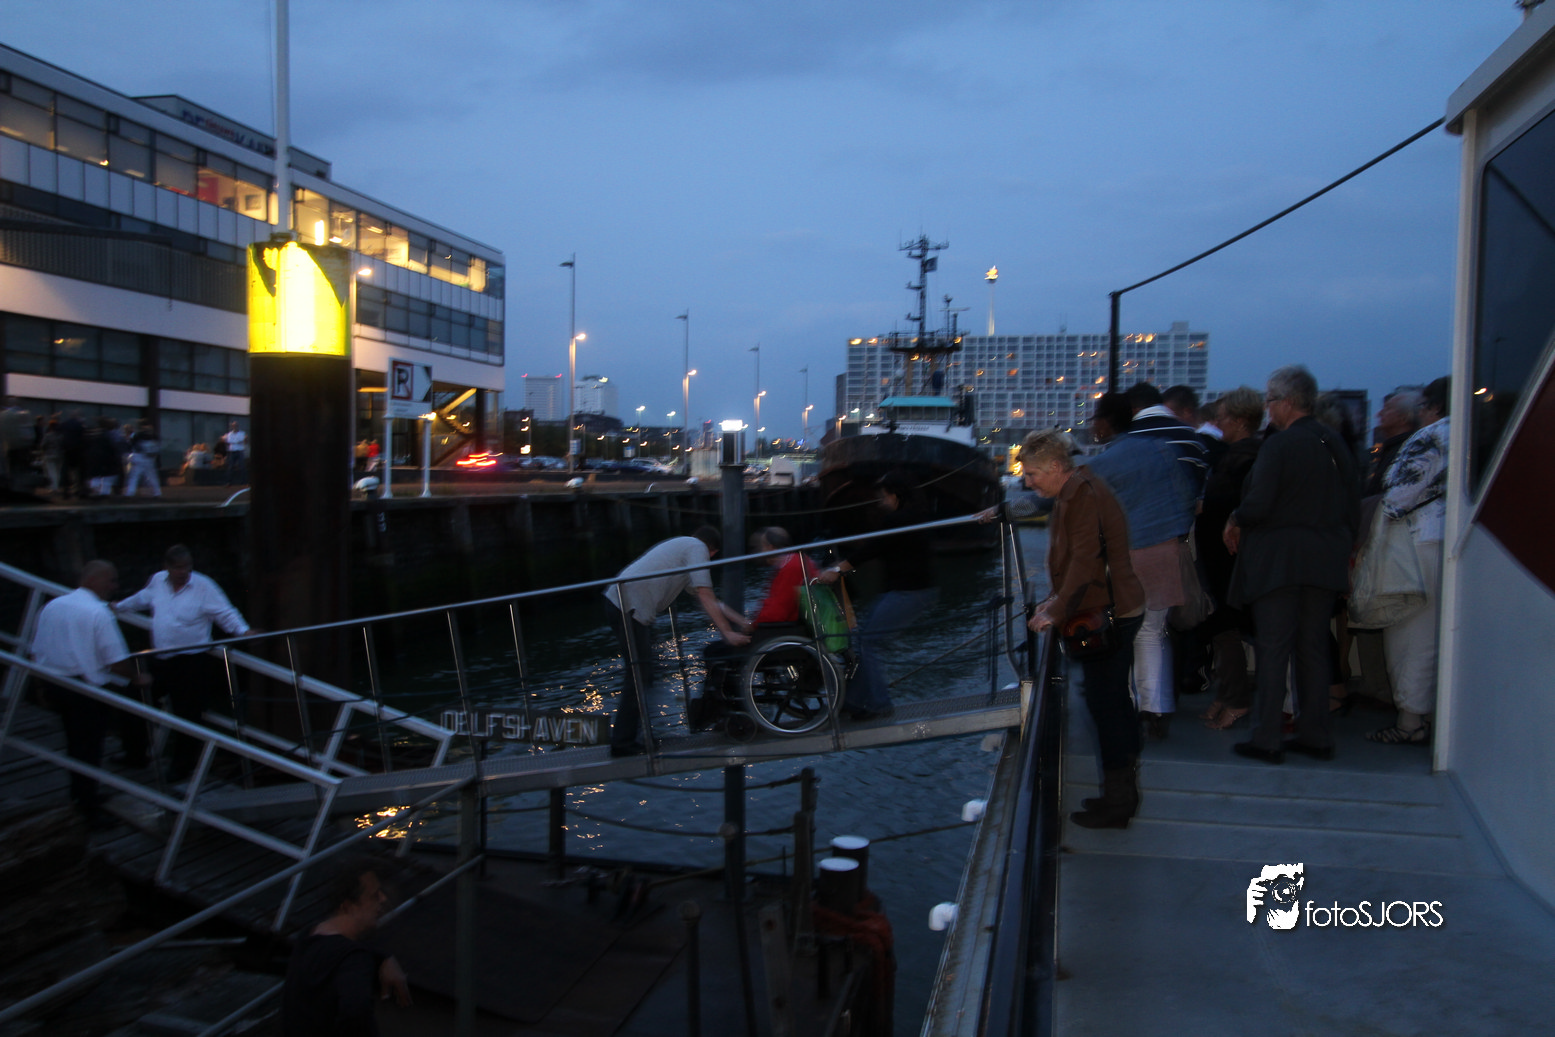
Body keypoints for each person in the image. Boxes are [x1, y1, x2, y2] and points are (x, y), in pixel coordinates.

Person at [1224, 365, 1360, 764]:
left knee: (1273, 650)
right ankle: (1316, 734)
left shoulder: (1280, 446)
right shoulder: (1334, 442)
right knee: (1313, 648)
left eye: (1269, 401)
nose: (1267, 409)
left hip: (1279, 563)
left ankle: (1267, 738)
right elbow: (1352, 506)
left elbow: (1260, 502)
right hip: (1325, 561)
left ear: (1286, 402)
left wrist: (1235, 518)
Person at [1020, 429, 1147, 828]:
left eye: (1033, 474)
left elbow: (1085, 560)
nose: (1028, 482)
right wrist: (1055, 600)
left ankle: (1119, 802)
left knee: (1106, 705)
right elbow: (1077, 561)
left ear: (1057, 467)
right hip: (1111, 606)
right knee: (1110, 703)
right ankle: (1121, 793)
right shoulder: (1077, 491)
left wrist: (1055, 610)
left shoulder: (1083, 496)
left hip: (1110, 611)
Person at [1087, 384, 1206, 738]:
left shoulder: (1104, 462)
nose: (1092, 426)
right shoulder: (1162, 450)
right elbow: (1187, 497)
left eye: (1096, 419)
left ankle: (1128, 705)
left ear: (1108, 422)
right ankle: (1154, 708)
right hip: (1164, 551)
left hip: (1126, 557)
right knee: (1152, 632)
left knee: (1122, 636)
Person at [603, 526, 749, 755]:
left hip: (625, 605)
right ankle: (623, 743)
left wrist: (742, 622)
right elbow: (706, 594)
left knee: (645, 674)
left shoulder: (684, 547)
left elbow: (708, 600)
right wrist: (728, 633)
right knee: (639, 676)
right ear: (712, 551)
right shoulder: (697, 548)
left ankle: (637, 736)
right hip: (629, 607)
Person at [115, 545, 252, 780]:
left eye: (187, 567)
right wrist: (118, 607)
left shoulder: (204, 586)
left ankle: (181, 768)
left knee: (188, 714)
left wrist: (243, 631)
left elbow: (224, 612)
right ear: (167, 567)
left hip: (192, 661)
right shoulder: (157, 581)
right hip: (162, 658)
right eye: (178, 568)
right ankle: (135, 754)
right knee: (134, 698)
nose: (183, 572)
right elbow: (142, 598)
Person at [28, 560, 153, 816]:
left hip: (55, 682)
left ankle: (83, 793)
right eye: (111, 580)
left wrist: (40, 685)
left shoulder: (52, 606)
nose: (115, 587)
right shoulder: (98, 613)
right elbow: (116, 662)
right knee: (89, 745)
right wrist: (136, 677)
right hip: (83, 689)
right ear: (94, 580)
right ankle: (87, 804)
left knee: (75, 742)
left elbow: (37, 650)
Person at [814, 470, 937, 720]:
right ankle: (853, 701)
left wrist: (837, 570)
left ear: (895, 495)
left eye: (884, 496)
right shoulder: (917, 517)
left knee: (868, 643)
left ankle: (879, 704)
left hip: (907, 592)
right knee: (864, 641)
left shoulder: (896, 521)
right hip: (913, 590)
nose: (881, 502)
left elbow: (871, 550)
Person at [1370, 376, 1450, 746]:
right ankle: (1429, 714)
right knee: (1434, 634)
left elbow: (1398, 497)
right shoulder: (1468, 433)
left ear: (1432, 407)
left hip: (1416, 544)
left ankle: (1410, 720)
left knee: (1411, 634)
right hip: (1443, 541)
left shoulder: (1430, 437)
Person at [1193, 387, 1265, 730]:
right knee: (1223, 624)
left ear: (1238, 420)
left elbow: (1238, 504)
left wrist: (1206, 508)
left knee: (1225, 623)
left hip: (1229, 557)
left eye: (1222, 417)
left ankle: (1236, 698)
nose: (1217, 422)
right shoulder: (1240, 455)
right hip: (1224, 555)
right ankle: (1228, 693)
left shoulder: (1245, 458)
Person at [281, 858, 411, 1036]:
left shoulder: (308, 936)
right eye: (374, 896)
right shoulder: (355, 960)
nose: (383, 899)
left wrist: (382, 958)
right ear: (348, 906)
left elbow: (336, 951)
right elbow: (356, 1012)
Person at [124, 420, 163, 497]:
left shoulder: (137, 435)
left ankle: (130, 492)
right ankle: (157, 492)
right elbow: (158, 447)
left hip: (138, 457)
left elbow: (131, 445)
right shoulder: (154, 436)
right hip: (150, 458)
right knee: (152, 477)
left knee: (134, 476)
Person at [222, 421, 248, 485]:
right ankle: (229, 481)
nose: (234, 427)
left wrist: (236, 441)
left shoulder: (242, 433)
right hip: (232, 451)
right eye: (233, 426)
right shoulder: (229, 434)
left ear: (237, 426)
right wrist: (238, 441)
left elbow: (241, 441)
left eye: (236, 425)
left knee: (242, 466)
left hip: (240, 450)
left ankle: (244, 481)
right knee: (230, 467)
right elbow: (230, 441)